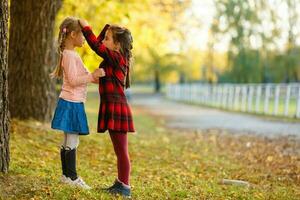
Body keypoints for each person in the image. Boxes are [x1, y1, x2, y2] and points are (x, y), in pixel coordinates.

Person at [79, 19, 135, 197]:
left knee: (122, 150)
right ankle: (120, 183)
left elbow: (97, 46)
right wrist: (107, 28)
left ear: (117, 45)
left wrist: (86, 27)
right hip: (111, 107)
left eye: (108, 38)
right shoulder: (114, 58)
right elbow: (100, 44)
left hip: (116, 108)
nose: (103, 41)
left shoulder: (117, 57)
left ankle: (124, 187)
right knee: (119, 150)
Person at [50, 16, 105, 189]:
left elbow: (84, 77)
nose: (85, 39)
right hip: (71, 102)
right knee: (72, 140)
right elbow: (74, 80)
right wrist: (92, 76)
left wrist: (95, 78)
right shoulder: (69, 55)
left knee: (69, 139)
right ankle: (72, 178)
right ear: (73, 34)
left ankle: (66, 176)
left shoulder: (70, 54)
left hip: (70, 101)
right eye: (82, 35)